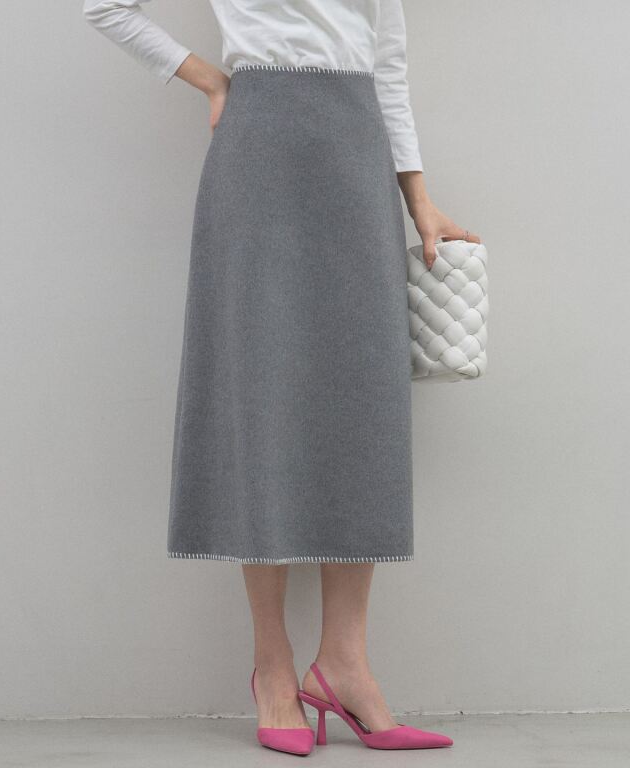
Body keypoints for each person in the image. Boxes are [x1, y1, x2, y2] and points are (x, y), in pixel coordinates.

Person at [83, 0, 480, 755]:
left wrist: (419, 201)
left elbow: (388, 67)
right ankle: (273, 668)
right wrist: (210, 80)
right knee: (258, 394)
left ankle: (345, 665)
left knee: (362, 404)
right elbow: (105, 6)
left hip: (356, 152)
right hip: (259, 147)